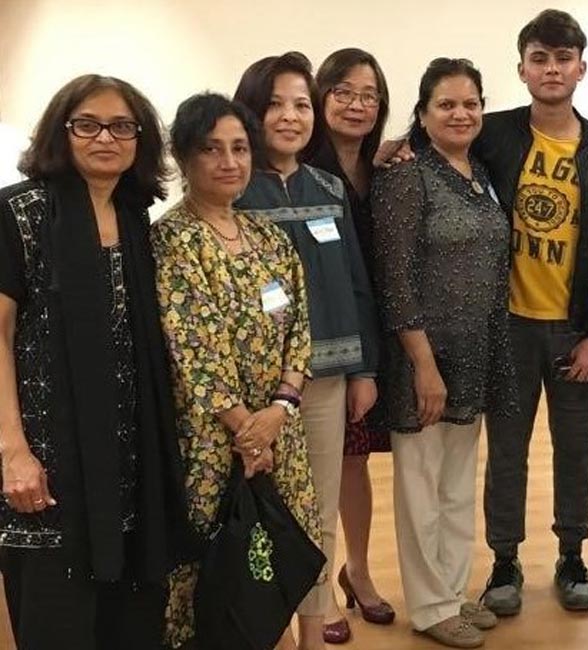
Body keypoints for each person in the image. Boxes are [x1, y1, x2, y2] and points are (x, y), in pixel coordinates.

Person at [0, 74, 191, 650]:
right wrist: (13, 451)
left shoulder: (135, 217)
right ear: (61, 132)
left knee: (129, 620)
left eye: (121, 126)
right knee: (57, 620)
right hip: (49, 463)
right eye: (87, 124)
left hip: (128, 463)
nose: (105, 137)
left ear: (140, 139)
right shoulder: (19, 213)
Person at [461, 9, 588, 616]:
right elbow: (434, 145)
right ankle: (504, 561)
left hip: (574, 331)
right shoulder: (492, 135)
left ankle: (572, 555)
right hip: (507, 326)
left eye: (563, 59)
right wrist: (395, 147)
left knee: (575, 450)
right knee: (506, 452)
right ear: (522, 69)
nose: (551, 69)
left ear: (581, 68)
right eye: (540, 58)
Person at [153, 93, 321, 650]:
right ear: (184, 157)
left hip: (280, 432)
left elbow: (300, 329)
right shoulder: (174, 240)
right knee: (217, 573)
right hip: (213, 442)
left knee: (276, 559)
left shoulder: (269, 237)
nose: (229, 161)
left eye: (240, 148)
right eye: (211, 149)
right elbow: (194, 347)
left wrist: (282, 408)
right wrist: (249, 432)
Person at [234, 51, 381, 650]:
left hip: (327, 377)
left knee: (320, 505)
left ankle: (314, 628)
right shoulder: (234, 189)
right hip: (256, 387)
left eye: (300, 104)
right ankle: (267, 626)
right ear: (251, 111)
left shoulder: (329, 188)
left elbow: (355, 283)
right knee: (263, 508)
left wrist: (365, 369)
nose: (290, 116)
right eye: (275, 104)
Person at [372, 57, 515, 649]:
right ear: (423, 113)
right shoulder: (407, 176)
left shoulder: (480, 173)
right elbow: (395, 279)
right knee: (420, 488)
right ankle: (429, 606)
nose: (461, 114)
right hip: (423, 359)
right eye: (447, 104)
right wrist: (423, 364)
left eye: (470, 103)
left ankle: (454, 592)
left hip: (476, 353)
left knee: (458, 486)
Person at [305, 46, 395, 643]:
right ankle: (319, 592)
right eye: (344, 92)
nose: (357, 105)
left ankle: (357, 570)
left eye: (370, 96)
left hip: (375, 333)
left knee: (354, 462)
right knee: (319, 467)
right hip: (322, 341)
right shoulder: (304, 170)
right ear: (321, 97)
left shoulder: (384, 168)